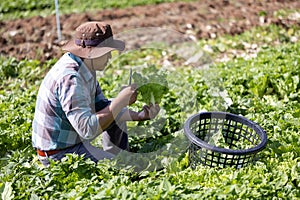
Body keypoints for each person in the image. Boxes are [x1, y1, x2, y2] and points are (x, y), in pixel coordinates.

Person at [32, 21, 160, 167]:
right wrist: (120, 101)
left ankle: (116, 156)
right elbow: (87, 129)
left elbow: (102, 107)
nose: (110, 58)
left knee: (113, 110)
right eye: (107, 53)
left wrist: (139, 115)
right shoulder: (71, 78)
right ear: (92, 53)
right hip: (57, 154)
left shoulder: (85, 66)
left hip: (71, 144)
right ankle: (117, 163)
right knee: (125, 168)